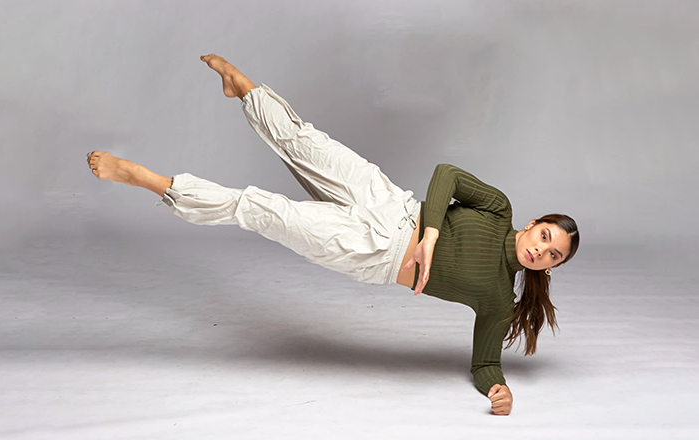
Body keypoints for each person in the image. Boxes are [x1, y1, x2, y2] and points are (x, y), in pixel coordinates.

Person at [86, 54, 580, 416]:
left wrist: (497, 388)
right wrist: (430, 235)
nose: (541, 250)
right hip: (393, 203)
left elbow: (485, 361)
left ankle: (154, 182)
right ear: (534, 223)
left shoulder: (499, 298)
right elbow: (445, 173)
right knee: (309, 144)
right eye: (545, 237)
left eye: (552, 255)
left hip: (375, 252)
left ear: (552, 267)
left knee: (263, 209)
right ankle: (247, 91)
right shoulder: (499, 208)